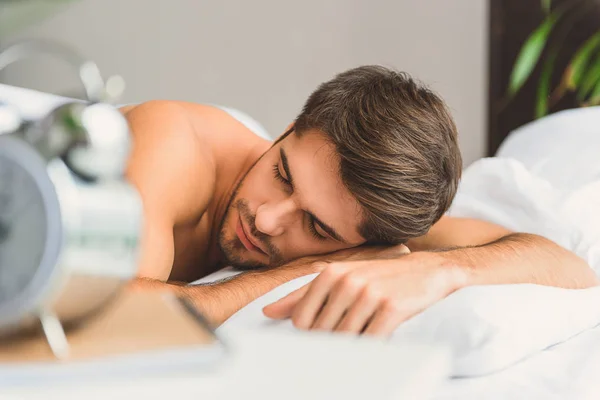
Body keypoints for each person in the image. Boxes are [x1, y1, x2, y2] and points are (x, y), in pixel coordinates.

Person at [123, 66, 598, 335]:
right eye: (282, 175)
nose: (267, 220)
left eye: (318, 228)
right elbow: (108, 316)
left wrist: (437, 271)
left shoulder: (367, 213)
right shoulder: (171, 144)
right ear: (290, 128)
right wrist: (301, 269)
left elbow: (571, 267)